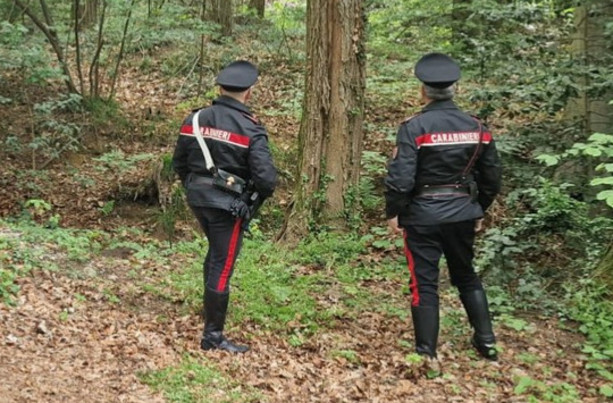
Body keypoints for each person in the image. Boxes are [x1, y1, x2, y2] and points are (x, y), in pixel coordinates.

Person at [384, 53, 502, 360]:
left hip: (422, 215)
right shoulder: (477, 127)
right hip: (463, 212)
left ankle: (426, 354)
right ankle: (487, 342)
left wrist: (393, 212)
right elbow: (492, 177)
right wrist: (479, 209)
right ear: (455, 89)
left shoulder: (415, 127)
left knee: (423, 281)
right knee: (466, 275)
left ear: (422, 91)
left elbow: (400, 177)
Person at [173, 60, 277, 353]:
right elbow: (267, 180)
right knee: (222, 263)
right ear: (250, 92)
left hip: (197, 198)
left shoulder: (194, 120)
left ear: (220, 87)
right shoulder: (250, 128)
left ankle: (209, 317)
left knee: (216, 254)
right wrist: (248, 201)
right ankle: (213, 337)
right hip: (227, 206)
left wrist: (195, 189)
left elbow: (178, 163)